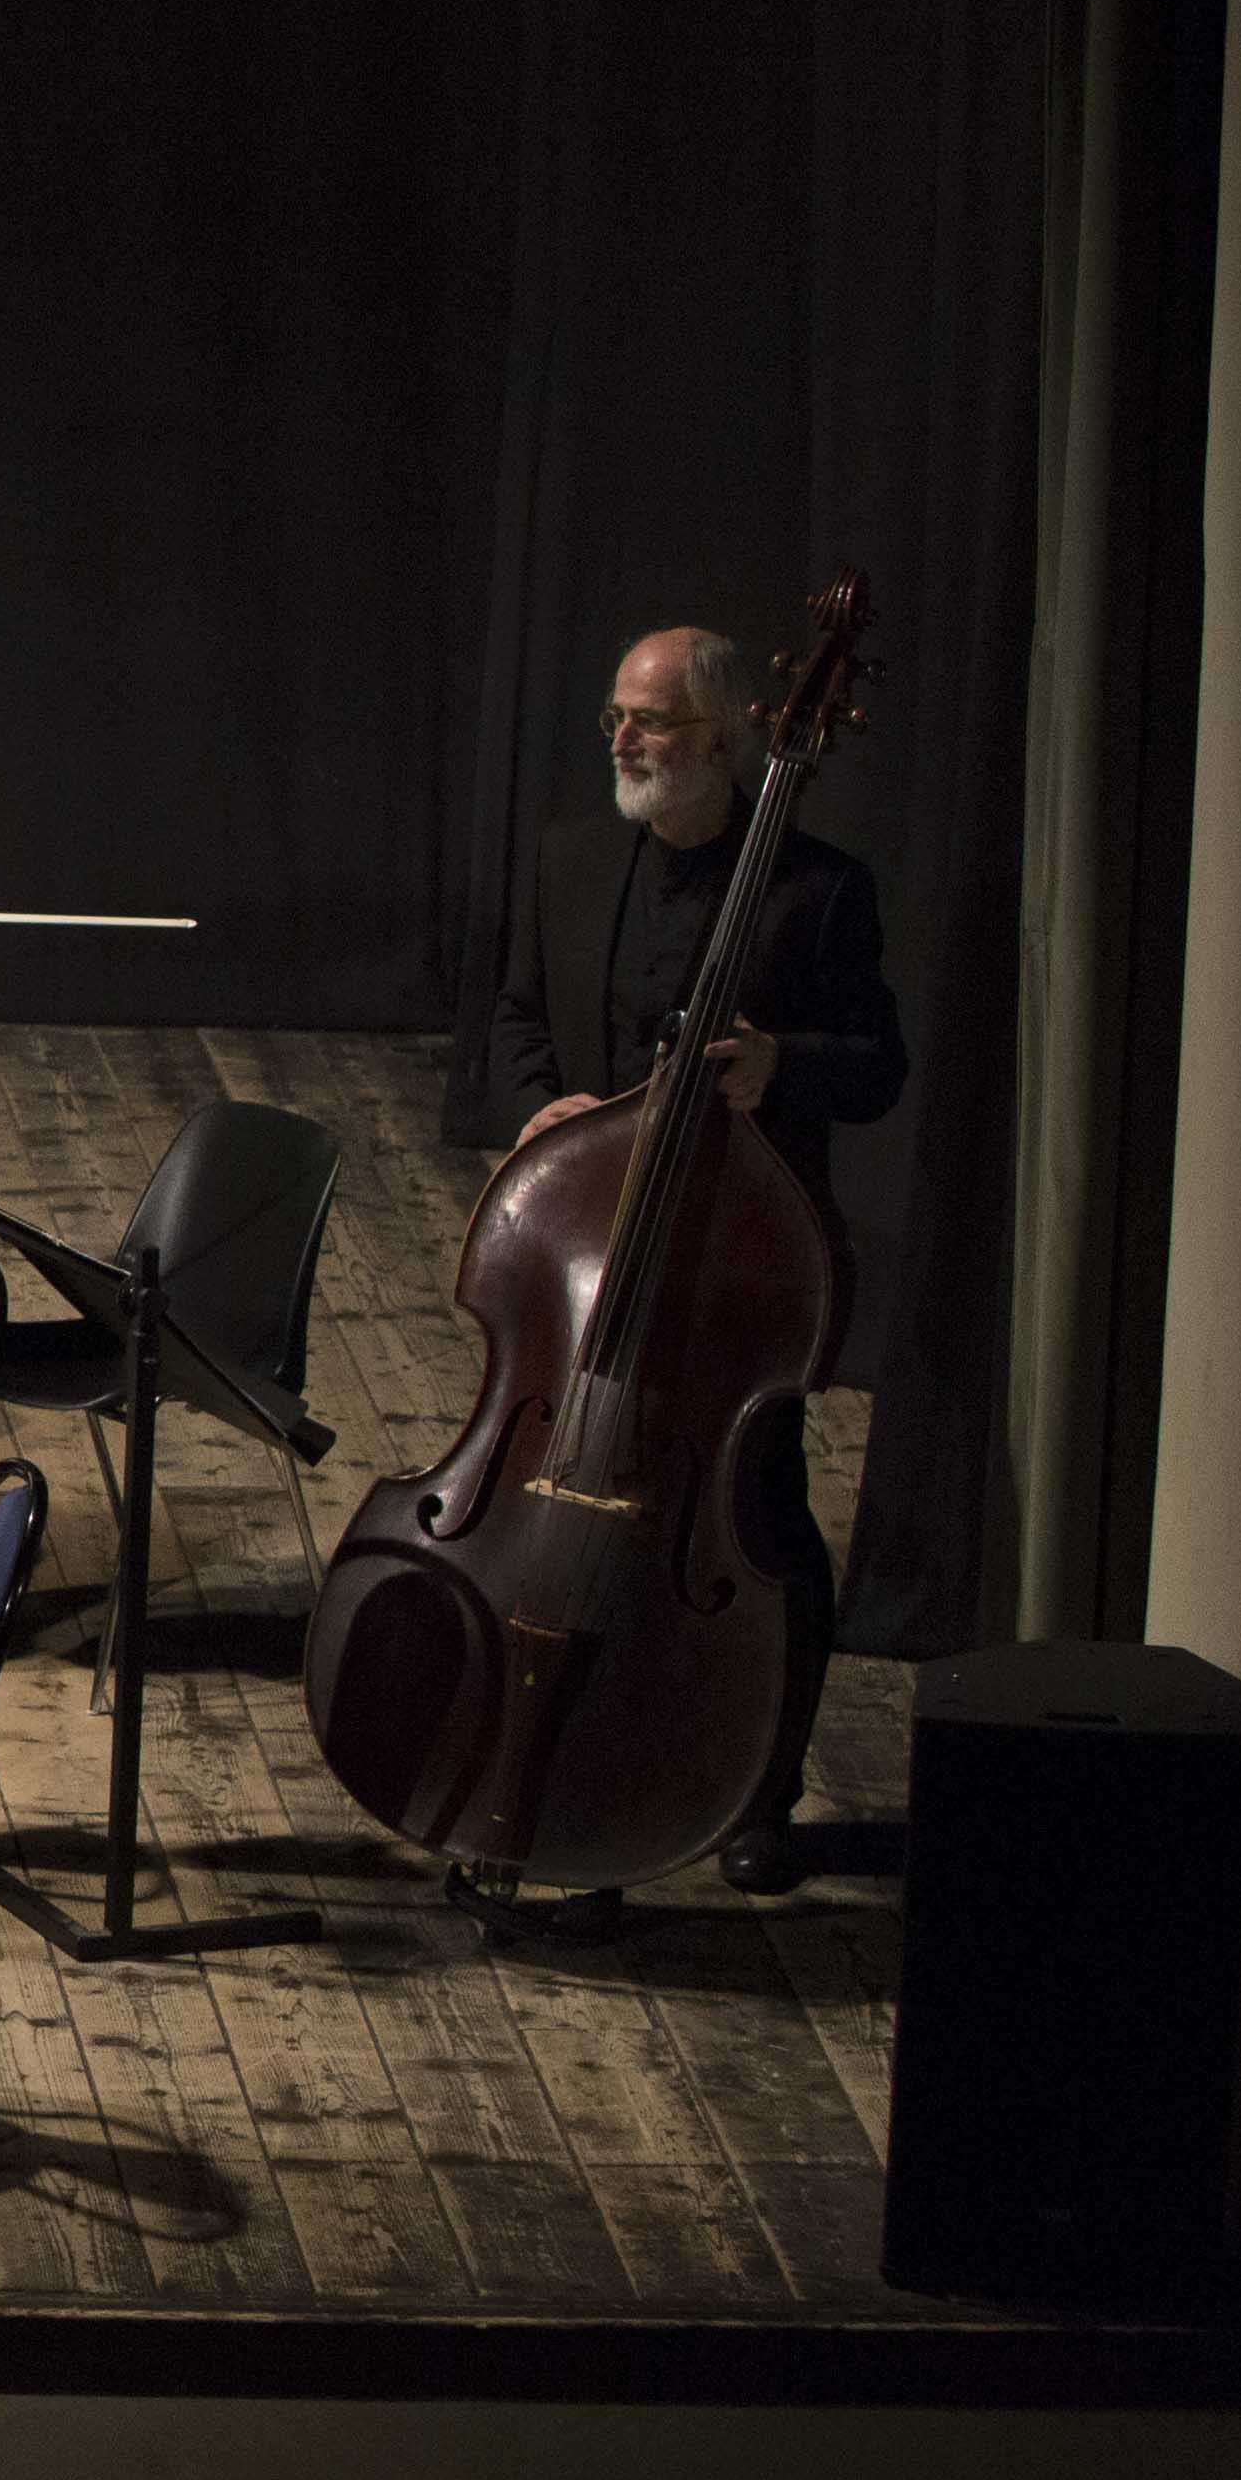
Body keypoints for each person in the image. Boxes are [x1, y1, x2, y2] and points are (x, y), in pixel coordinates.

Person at [485, 621, 906, 1894]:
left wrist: (782, 1064)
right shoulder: (570, 861)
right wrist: (545, 1110)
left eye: (650, 720)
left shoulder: (818, 889)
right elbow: (515, 1023)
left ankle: (763, 1791)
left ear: (725, 739)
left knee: (758, 1516)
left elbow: (879, 1066)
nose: (621, 738)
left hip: (738, 1258)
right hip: (587, 1245)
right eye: (615, 716)